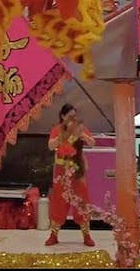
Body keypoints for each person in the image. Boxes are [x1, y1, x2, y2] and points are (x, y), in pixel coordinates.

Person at [45, 104, 96, 246]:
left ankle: (86, 235)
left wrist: (83, 136)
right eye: (69, 116)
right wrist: (59, 139)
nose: (72, 119)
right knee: (59, 201)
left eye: (74, 116)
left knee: (82, 200)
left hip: (77, 171)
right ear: (62, 116)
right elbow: (50, 146)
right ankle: (53, 235)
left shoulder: (80, 129)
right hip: (61, 171)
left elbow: (92, 142)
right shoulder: (57, 130)